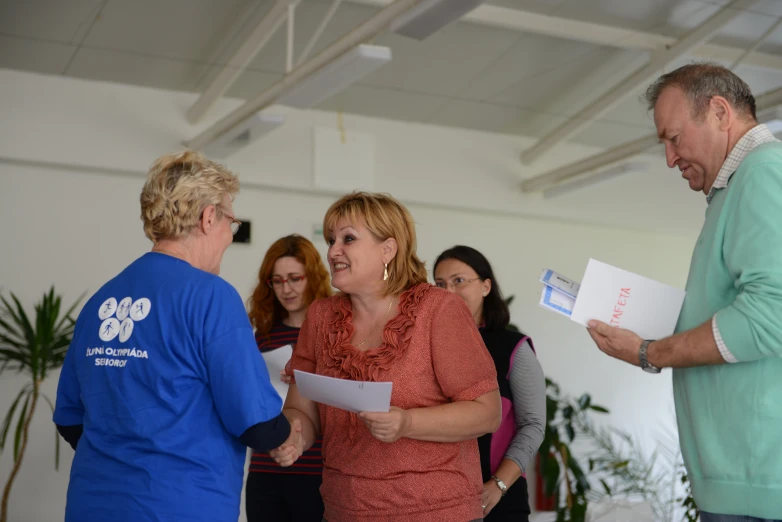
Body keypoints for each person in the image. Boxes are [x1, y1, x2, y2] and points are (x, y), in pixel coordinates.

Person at [585, 63, 782, 521]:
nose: (670, 159)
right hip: (743, 480)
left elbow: (771, 315)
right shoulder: (735, 189)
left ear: (719, 112)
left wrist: (650, 351)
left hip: (757, 484)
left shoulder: (763, 174)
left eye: (674, 139)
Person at [52, 151, 296, 522]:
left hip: (92, 504)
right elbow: (257, 424)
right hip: (179, 506)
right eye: (231, 221)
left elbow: (70, 419)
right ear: (208, 216)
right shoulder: (212, 297)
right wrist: (293, 432)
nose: (229, 236)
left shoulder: (102, 300)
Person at [270, 191, 502, 522]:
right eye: (331, 239)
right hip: (344, 510)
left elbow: (486, 413)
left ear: (388, 250)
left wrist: (407, 422)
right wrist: (295, 435)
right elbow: (302, 409)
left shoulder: (439, 310)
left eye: (348, 238)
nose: (333, 250)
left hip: (435, 512)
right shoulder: (321, 316)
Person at [434, 246, 545, 522]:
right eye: (439, 284)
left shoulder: (513, 347)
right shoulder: (428, 347)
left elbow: (532, 424)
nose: (448, 292)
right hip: (434, 498)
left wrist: (498, 485)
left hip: (498, 500)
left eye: (459, 281)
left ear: (485, 287)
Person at [245, 234, 332, 522]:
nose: (287, 289)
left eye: (295, 278)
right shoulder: (264, 336)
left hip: (316, 468)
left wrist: (303, 380)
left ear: (313, 277)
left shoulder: (332, 333)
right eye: (277, 281)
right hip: (265, 466)